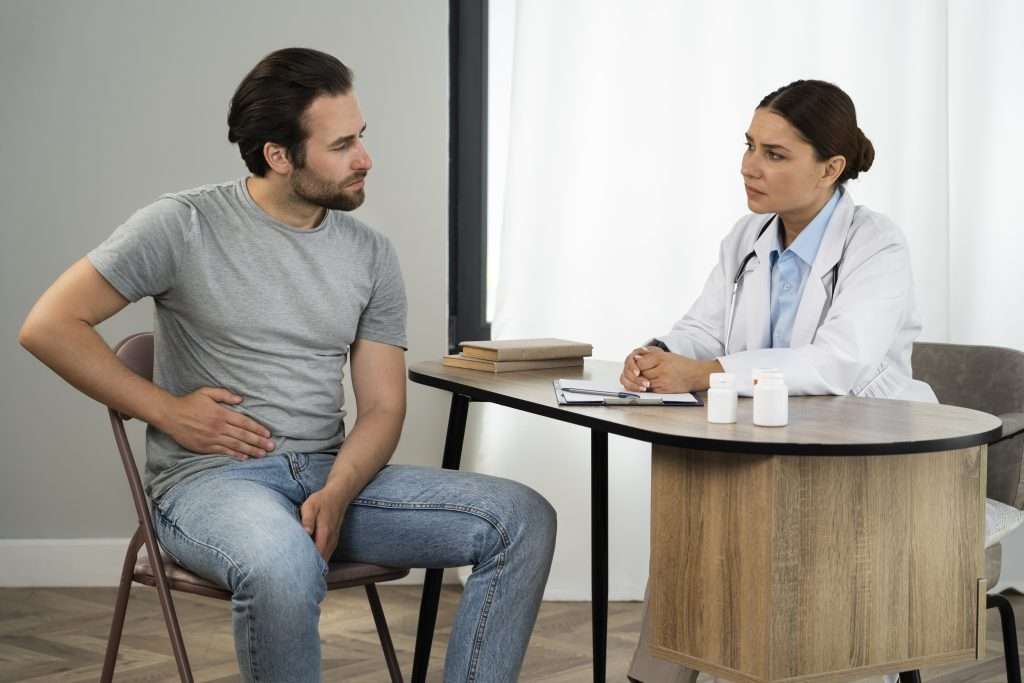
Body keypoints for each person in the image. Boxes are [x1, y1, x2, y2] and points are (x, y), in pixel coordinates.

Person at [19, 47, 556, 683]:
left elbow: (383, 406)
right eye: (343, 144)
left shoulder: (370, 254)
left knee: (522, 519)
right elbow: (48, 326)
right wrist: (166, 411)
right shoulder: (182, 225)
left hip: (334, 477)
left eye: (363, 137)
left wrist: (339, 489)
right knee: (283, 565)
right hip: (213, 483)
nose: (366, 158)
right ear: (279, 155)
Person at [622, 79, 935, 683]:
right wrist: (661, 354)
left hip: (868, 462)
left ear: (830, 168)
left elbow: (837, 361)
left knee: (752, 544)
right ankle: (658, 677)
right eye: (749, 146)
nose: (749, 167)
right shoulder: (747, 238)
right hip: (772, 451)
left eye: (774, 154)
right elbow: (702, 329)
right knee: (691, 533)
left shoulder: (876, 244)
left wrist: (705, 373)